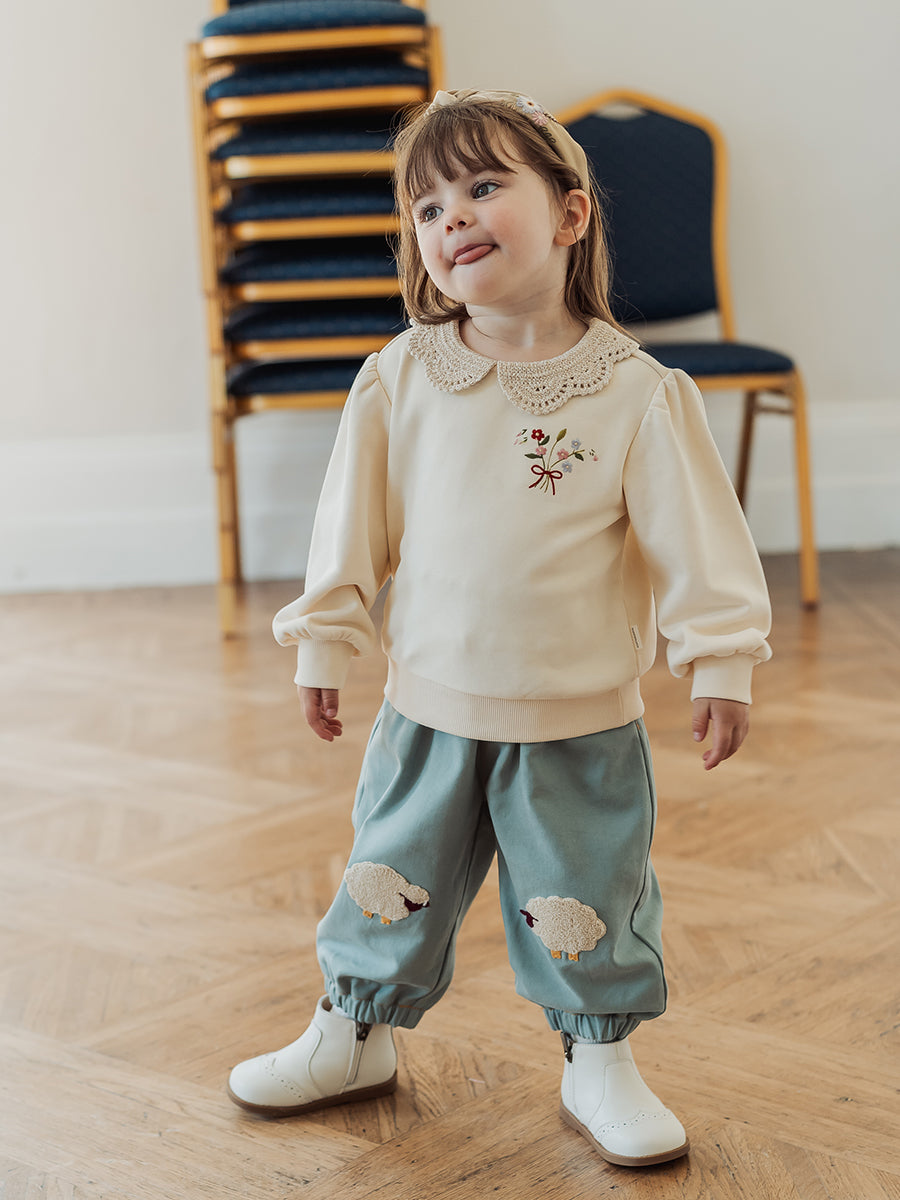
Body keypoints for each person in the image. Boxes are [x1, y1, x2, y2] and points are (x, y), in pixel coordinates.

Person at [226, 89, 772, 1168]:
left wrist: (721, 662)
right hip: (426, 711)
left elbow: (700, 544)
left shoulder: (636, 393)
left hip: (578, 725)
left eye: (482, 187)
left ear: (569, 214)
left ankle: (599, 1056)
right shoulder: (401, 377)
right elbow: (350, 529)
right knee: (386, 879)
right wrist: (326, 638)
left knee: (587, 896)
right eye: (428, 207)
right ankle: (353, 1035)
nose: (453, 219)